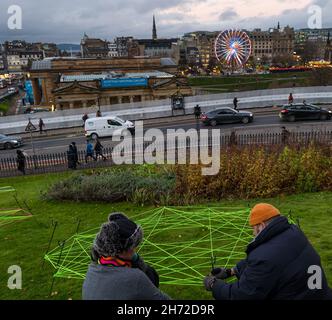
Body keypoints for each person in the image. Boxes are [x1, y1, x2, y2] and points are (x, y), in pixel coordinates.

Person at [203, 203, 332, 300]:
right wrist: (231, 271)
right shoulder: (293, 232)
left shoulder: (265, 257)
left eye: (253, 228)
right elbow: (270, 260)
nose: (253, 233)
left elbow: (241, 295)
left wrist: (214, 285)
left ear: (262, 226)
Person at [83, 212, 170, 300]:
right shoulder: (135, 278)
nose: (135, 250)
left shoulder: (92, 269)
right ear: (122, 250)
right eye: (133, 247)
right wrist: (137, 259)